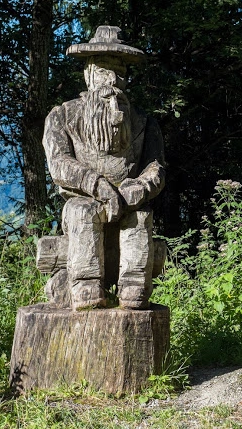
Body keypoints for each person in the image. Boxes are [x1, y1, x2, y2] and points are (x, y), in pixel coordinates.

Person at [43, 26, 165, 310]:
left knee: (141, 217)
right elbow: (59, 163)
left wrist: (141, 186)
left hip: (127, 201)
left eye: (119, 73)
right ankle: (86, 283)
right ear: (88, 75)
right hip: (84, 199)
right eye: (102, 72)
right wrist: (94, 183)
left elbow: (156, 167)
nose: (111, 81)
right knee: (82, 211)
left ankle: (134, 284)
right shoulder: (63, 115)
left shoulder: (144, 122)